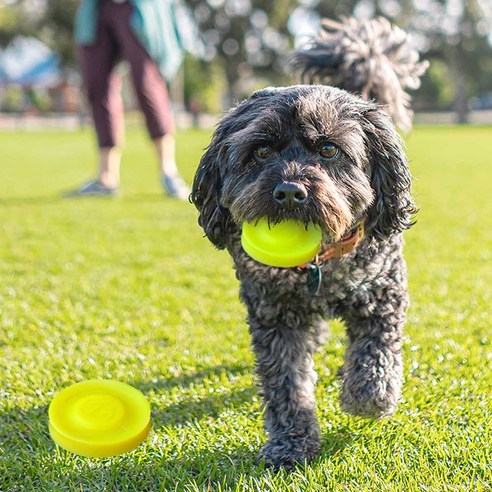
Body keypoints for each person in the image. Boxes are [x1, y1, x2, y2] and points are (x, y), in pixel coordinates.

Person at [69, 0, 189, 199]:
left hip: (137, 7)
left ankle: (169, 172)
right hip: (97, 8)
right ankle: (106, 177)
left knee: (146, 84)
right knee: (97, 85)